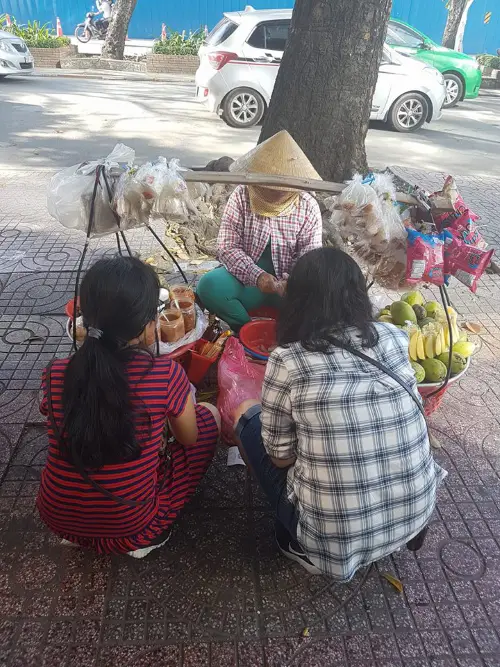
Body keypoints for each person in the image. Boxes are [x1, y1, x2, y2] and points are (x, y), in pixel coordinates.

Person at [233, 247, 446, 580]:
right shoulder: (394, 337)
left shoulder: (288, 359)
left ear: (296, 302)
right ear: (359, 295)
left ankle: (295, 543)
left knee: (247, 417)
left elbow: (279, 458)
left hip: (334, 544)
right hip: (416, 511)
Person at [37, 256, 220, 559]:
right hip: (134, 525)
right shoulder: (165, 374)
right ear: (149, 327)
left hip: (58, 520)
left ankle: (86, 534)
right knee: (209, 416)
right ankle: (148, 539)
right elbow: (188, 438)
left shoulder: (55, 372)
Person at [197, 131, 323, 331]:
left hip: (289, 289)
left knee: (325, 298)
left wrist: (294, 282)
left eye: (281, 190)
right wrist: (257, 276)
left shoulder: (308, 205)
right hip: (248, 282)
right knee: (208, 286)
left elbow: (311, 256)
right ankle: (246, 329)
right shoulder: (240, 196)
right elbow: (227, 247)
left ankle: (288, 332)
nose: (275, 194)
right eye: (268, 189)